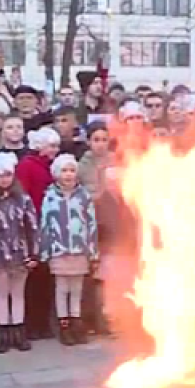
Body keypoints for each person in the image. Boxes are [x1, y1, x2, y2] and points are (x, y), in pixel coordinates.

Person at [0, 152, 39, 353]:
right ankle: (5, 333)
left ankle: (19, 332)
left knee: (18, 294)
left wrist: (34, 253)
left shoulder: (23, 199)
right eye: (0, 175)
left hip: (20, 252)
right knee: (1, 294)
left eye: (8, 175)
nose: (4, 179)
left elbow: (32, 226)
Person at [40, 153, 97, 345]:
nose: (68, 175)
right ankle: (63, 324)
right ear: (57, 173)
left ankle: (76, 321)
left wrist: (92, 249)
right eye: (64, 171)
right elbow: (45, 224)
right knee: (62, 288)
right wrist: (45, 249)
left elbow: (91, 223)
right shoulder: (49, 197)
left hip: (78, 249)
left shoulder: (83, 196)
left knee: (76, 288)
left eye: (72, 170)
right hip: (59, 249)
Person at [16, 127, 60, 339]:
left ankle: (43, 323)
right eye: (52, 146)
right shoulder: (27, 166)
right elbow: (23, 197)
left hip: (49, 227)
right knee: (34, 279)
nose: (55, 150)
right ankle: (33, 325)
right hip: (33, 228)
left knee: (46, 278)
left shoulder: (50, 167)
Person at [77, 121, 113, 335]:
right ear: (88, 141)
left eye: (104, 140)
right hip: (90, 224)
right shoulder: (82, 166)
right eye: (95, 140)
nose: (100, 144)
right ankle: (89, 319)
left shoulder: (117, 162)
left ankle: (109, 318)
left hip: (112, 224)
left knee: (110, 273)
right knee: (91, 274)